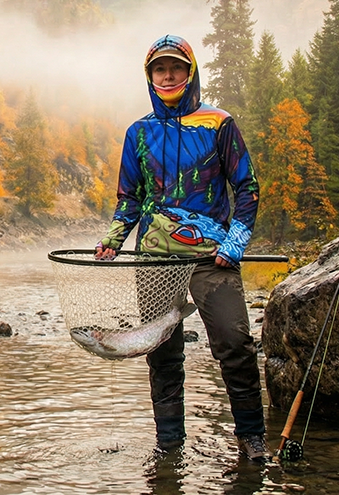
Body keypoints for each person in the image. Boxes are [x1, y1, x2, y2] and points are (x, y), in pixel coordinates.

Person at [94, 34, 269, 461]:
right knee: (163, 353)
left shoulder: (219, 124)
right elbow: (129, 197)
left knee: (235, 344)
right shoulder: (138, 132)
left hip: (213, 258)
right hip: (154, 259)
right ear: (150, 76)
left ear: (190, 72)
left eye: (176, 67)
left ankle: (251, 439)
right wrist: (114, 238)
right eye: (160, 69)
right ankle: (169, 446)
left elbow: (247, 187)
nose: (168, 75)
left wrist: (235, 241)